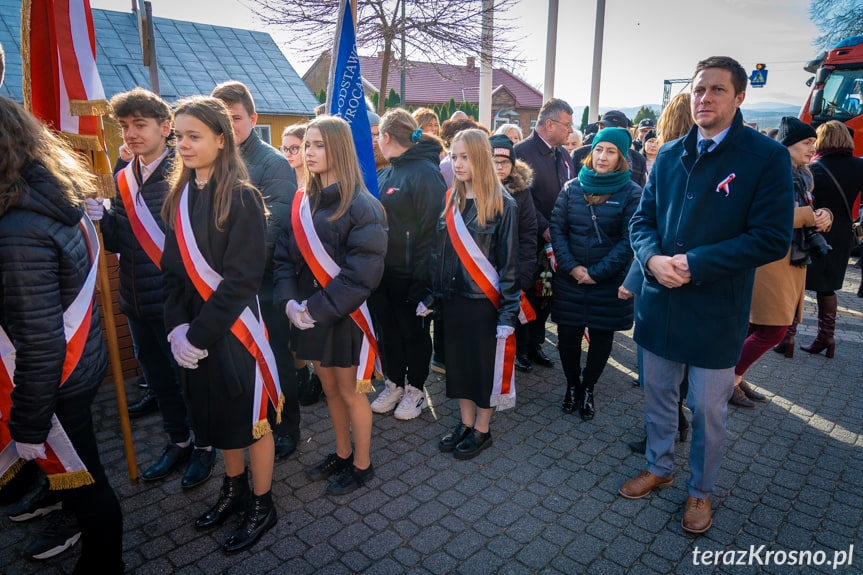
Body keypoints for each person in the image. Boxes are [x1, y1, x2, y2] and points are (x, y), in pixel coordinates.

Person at [621, 56, 794, 535]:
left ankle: (700, 492)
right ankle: (659, 467)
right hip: (659, 303)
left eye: (718, 90)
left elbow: (770, 238)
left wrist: (695, 266)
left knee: (705, 409)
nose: (705, 98)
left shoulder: (766, 157)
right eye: (699, 90)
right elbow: (641, 221)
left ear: (740, 98)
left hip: (717, 311)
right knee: (657, 396)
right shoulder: (670, 152)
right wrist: (652, 260)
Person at [0, 95, 124, 572]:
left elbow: (39, 336)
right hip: (74, 367)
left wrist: (28, 423)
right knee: (81, 476)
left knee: (86, 483)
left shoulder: (17, 226)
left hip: (56, 375)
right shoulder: (51, 192)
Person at [161, 96, 278, 553]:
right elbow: (172, 273)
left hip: (233, 334)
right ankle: (235, 489)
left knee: (252, 421)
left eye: (194, 136)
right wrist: (175, 328)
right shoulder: (180, 195)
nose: (183, 145)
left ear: (220, 139)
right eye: (178, 136)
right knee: (217, 417)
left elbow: (241, 280)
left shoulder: (243, 197)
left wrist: (196, 334)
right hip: (193, 333)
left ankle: (263, 503)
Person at [86, 88, 216, 487]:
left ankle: (206, 447)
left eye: (140, 125)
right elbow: (120, 242)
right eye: (124, 127)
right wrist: (101, 219)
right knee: (160, 382)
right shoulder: (123, 178)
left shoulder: (189, 175)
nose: (130, 134)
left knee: (190, 382)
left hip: (179, 304)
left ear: (165, 127)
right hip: (136, 300)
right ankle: (177, 442)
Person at [273, 116, 387, 494]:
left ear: (339, 148)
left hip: (344, 316)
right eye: (306, 144)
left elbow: (361, 276)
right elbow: (284, 259)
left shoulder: (363, 205)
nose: (309, 152)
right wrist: (290, 302)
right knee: (330, 391)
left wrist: (312, 309)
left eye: (318, 144)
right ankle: (341, 453)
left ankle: (362, 464)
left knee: (351, 391)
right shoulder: (301, 201)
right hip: (309, 315)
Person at [212, 81, 301, 462]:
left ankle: (287, 426)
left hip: (261, 283)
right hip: (226, 283)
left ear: (253, 118)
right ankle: (257, 420)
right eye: (222, 119)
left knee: (277, 357)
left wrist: (234, 272)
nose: (229, 127)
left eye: (235, 118)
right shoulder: (215, 159)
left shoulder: (273, 163)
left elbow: (272, 228)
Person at [426, 129, 519, 460]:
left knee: (482, 371)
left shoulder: (503, 204)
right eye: (454, 156)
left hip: (484, 304)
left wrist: (509, 314)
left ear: (480, 158)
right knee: (459, 367)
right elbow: (442, 255)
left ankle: (482, 429)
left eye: (465, 156)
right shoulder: (451, 198)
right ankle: (465, 424)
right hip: (453, 299)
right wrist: (433, 296)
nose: (458, 163)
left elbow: (509, 267)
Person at [731, 117, 831, 407]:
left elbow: (806, 210)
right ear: (786, 146)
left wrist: (826, 215)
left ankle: (734, 376)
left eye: (814, 143)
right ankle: (729, 378)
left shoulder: (803, 175)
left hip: (791, 260)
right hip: (770, 260)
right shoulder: (772, 173)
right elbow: (766, 217)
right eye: (806, 143)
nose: (812, 149)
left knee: (755, 327)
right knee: (773, 330)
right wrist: (812, 217)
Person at [550, 128, 641, 419]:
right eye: (599, 149)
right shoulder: (572, 187)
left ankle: (589, 387)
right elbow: (557, 229)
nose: (602, 157)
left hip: (608, 283)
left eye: (611, 151)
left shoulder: (632, 193)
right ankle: (572, 385)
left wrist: (597, 273)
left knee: (602, 339)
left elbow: (629, 240)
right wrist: (573, 268)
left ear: (621, 158)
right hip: (570, 279)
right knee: (567, 338)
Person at [369, 109, 446, 420]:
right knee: (388, 333)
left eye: (378, 137)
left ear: (387, 137)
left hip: (412, 275)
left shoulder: (426, 174)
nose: (376, 142)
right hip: (383, 274)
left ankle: (416, 389)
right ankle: (394, 383)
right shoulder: (387, 171)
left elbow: (434, 231)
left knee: (413, 333)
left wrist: (424, 282)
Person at [514, 98, 576, 370]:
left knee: (546, 297)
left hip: (557, 241)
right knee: (527, 295)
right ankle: (519, 349)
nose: (570, 132)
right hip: (530, 242)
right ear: (549, 123)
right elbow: (519, 198)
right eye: (567, 125)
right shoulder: (521, 152)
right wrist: (544, 227)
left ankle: (536, 344)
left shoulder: (563, 154)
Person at [796, 121, 863, 357]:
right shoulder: (859, 165)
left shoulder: (813, 168)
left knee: (798, 284)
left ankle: (787, 337)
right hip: (843, 232)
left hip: (813, 230)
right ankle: (827, 336)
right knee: (829, 288)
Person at [281, 123, 325, 405]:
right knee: (291, 332)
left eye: (295, 147)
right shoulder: (284, 179)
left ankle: (320, 379)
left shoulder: (314, 185)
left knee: (315, 333)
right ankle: (303, 375)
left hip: (315, 271)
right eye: (285, 148)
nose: (290, 154)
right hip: (291, 268)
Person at [489, 134, 537, 373]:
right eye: (494, 161)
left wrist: (525, 272)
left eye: (505, 162)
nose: (499, 167)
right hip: (483, 269)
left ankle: (516, 355)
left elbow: (529, 233)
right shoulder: (473, 188)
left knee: (513, 318)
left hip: (512, 267)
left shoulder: (521, 193)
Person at [572, 110, 648, 187]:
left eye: (609, 128)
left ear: (624, 131)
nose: (604, 132)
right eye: (601, 128)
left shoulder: (638, 160)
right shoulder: (579, 154)